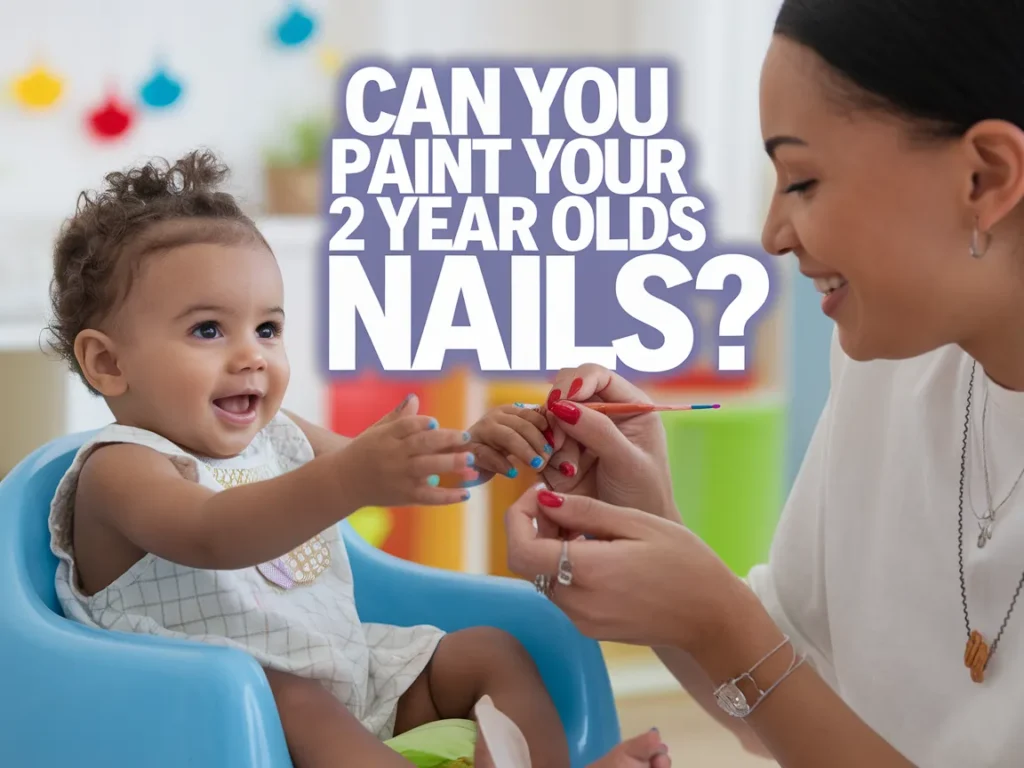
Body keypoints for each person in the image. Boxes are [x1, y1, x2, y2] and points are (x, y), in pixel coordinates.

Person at [503, 1, 1024, 766]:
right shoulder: (893, 362)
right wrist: (649, 523)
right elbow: (781, 706)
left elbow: (762, 669)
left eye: (804, 180)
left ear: (986, 176)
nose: (774, 235)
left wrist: (719, 620)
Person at [44, 149, 579, 767]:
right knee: (290, 699)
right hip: (214, 715)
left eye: (267, 329)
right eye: (209, 330)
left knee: (492, 650)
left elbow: (394, 468)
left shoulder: (277, 436)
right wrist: (348, 477)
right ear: (109, 363)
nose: (253, 357)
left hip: (348, 673)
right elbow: (214, 533)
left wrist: (475, 448)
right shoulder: (121, 468)